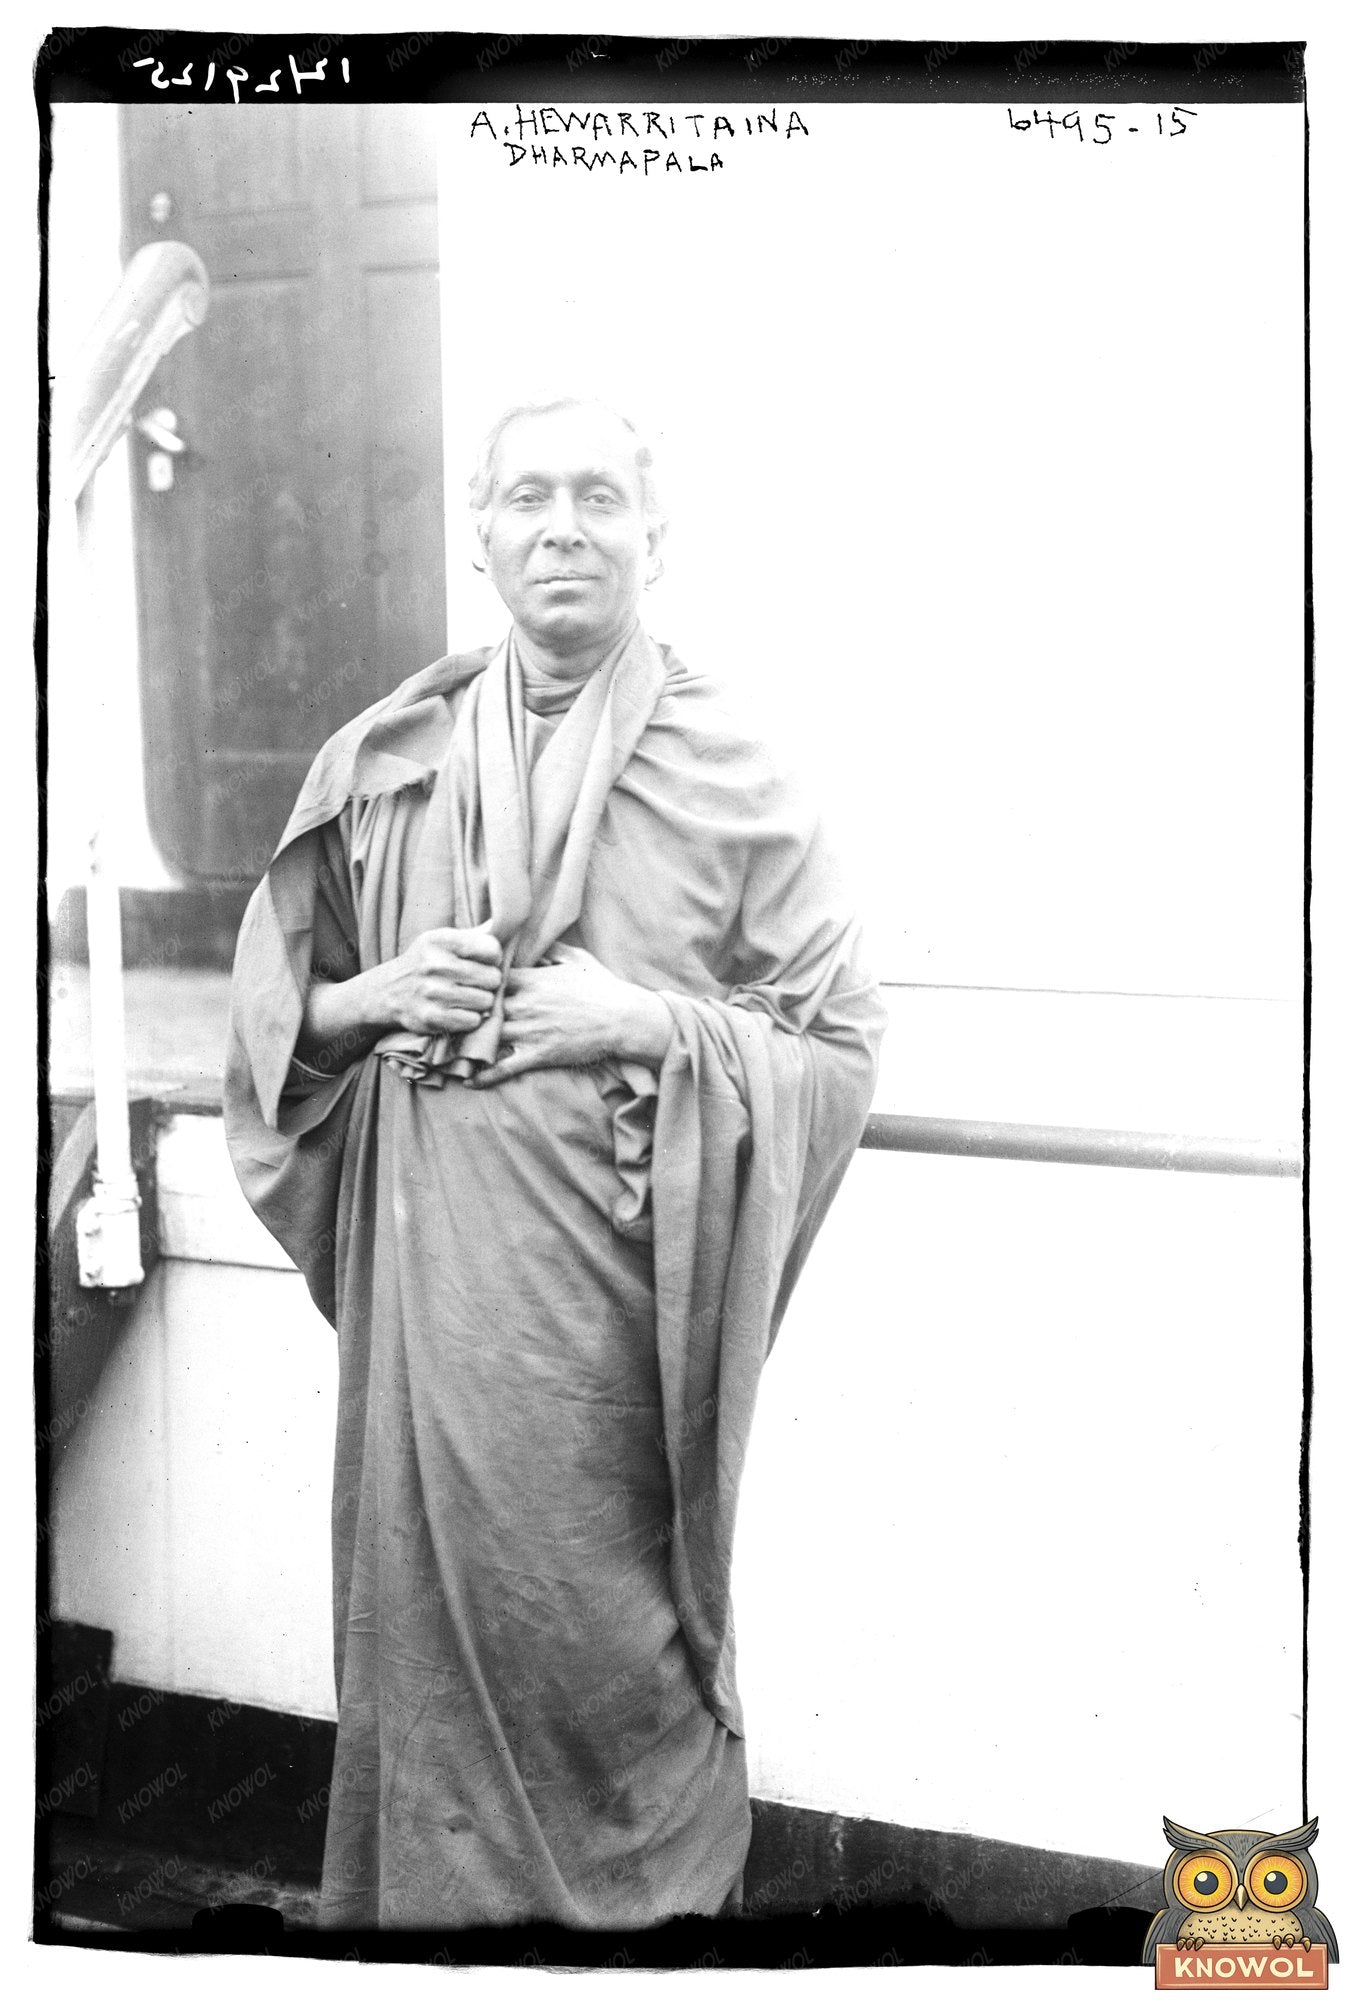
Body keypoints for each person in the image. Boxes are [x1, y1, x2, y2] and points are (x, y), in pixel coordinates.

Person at [224, 397, 887, 1930]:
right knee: (431, 1658)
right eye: (529, 496)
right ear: (482, 531)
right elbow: (272, 1026)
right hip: (433, 1323)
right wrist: (374, 997)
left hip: (611, 1340)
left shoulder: (742, 767)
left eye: (600, 497)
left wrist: (640, 1021)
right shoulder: (382, 763)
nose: (563, 527)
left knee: (613, 1651)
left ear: (660, 534)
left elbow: (840, 1046)